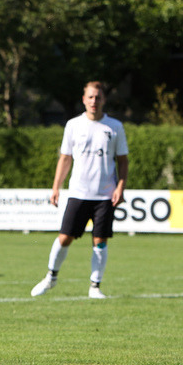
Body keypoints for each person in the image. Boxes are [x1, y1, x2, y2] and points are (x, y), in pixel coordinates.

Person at [31, 81, 128, 300]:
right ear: (84, 99)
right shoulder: (73, 125)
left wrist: (120, 187)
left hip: (105, 194)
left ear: (104, 100)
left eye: (98, 97)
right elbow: (65, 158)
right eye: (91, 97)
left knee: (100, 241)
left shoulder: (115, 127)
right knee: (64, 238)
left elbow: (122, 161)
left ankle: (95, 286)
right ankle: (51, 277)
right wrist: (56, 187)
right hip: (78, 193)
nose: (94, 101)